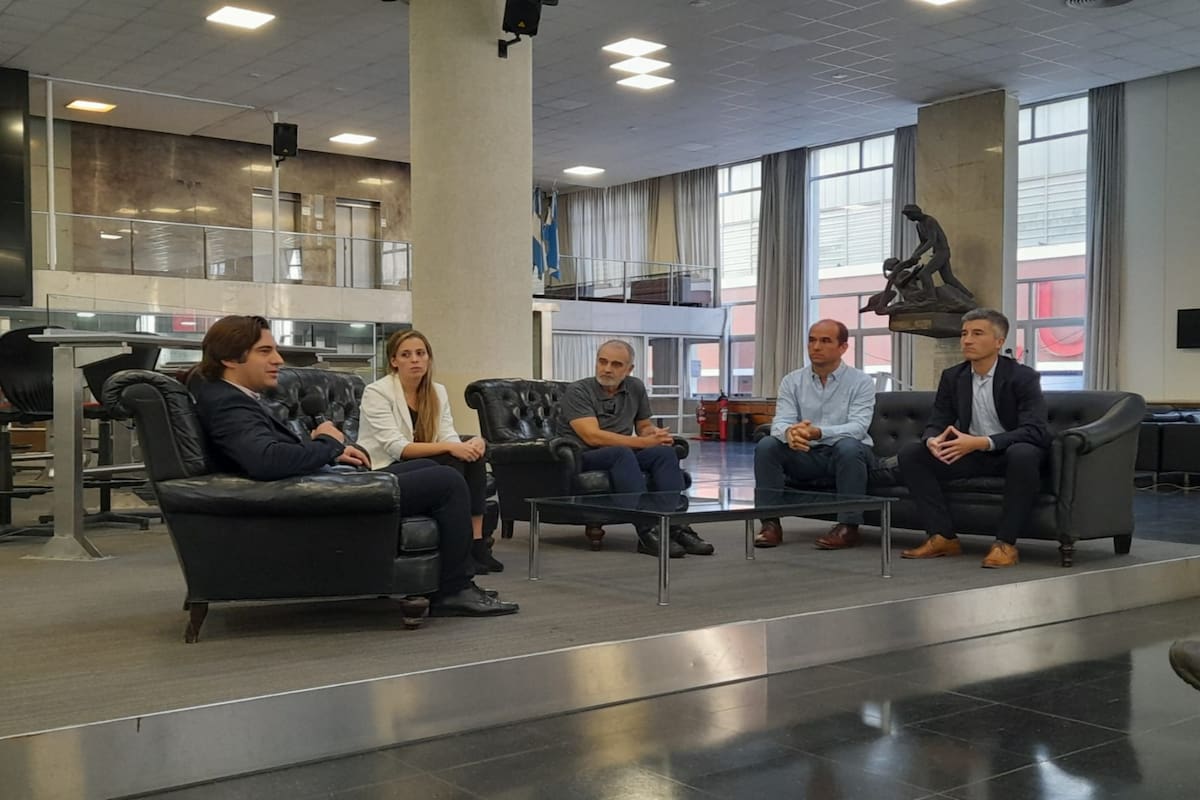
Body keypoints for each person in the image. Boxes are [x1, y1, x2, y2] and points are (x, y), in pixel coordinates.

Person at [191, 315, 517, 617]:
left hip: (322, 480)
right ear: (231, 359)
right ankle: (453, 589)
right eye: (265, 351)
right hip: (314, 494)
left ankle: (464, 568)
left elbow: (270, 454)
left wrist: (330, 452)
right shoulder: (227, 402)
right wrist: (328, 443)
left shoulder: (230, 396)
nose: (277, 359)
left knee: (443, 469)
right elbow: (265, 461)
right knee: (445, 481)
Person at [897, 308, 1049, 568]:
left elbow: (1034, 431)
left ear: (999, 342)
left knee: (1023, 453)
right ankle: (942, 536)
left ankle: (1005, 543)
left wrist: (982, 442)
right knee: (912, 454)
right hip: (972, 453)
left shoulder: (1022, 377)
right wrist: (932, 439)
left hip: (1011, 452)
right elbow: (937, 420)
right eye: (964, 333)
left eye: (977, 333)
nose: (967, 340)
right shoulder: (953, 376)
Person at [357, 330, 502, 574]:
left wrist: (469, 445)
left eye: (420, 353)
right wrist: (451, 447)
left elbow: (447, 435)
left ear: (428, 358)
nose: (415, 359)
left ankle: (477, 546)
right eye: (406, 355)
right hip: (385, 467)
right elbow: (397, 447)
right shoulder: (377, 392)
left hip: (424, 462)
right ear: (394, 361)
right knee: (451, 460)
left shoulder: (438, 391)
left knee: (471, 456)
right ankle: (459, 552)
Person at [557, 339, 713, 558]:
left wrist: (654, 435)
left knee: (663, 453)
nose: (607, 369)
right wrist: (643, 442)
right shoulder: (578, 391)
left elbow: (642, 425)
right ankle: (647, 531)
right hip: (584, 455)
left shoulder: (635, 387)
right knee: (622, 453)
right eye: (602, 362)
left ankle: (675, 526)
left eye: (616, 364)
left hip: (622, 451)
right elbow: (592, 436)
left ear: (629, 369)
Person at [753, 319, 877, 550]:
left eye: (825, 341)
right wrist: (790, 433)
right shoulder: (792, 381)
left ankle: (848, 527)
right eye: (811, 340)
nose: (815, 347)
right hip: (806, 453)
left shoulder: (861, 382)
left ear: (843, 348)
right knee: (767, 444)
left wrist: (817, 432)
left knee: (848, 446)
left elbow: (858, 427)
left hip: (848, 455)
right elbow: (781, 421)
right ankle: (770, 523)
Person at [897, 204, 974, 300]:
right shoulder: (919, 225)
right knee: (948, 278)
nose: (908, 218)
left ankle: (931, 297)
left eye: (909, 215)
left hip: (942, 252)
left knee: (924, 274)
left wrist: (918, 253)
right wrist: (914, 254)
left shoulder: (930, 221)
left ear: (915, 213)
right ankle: (968, 295)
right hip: (937, 253)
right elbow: (923, 242)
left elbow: (932, 240)